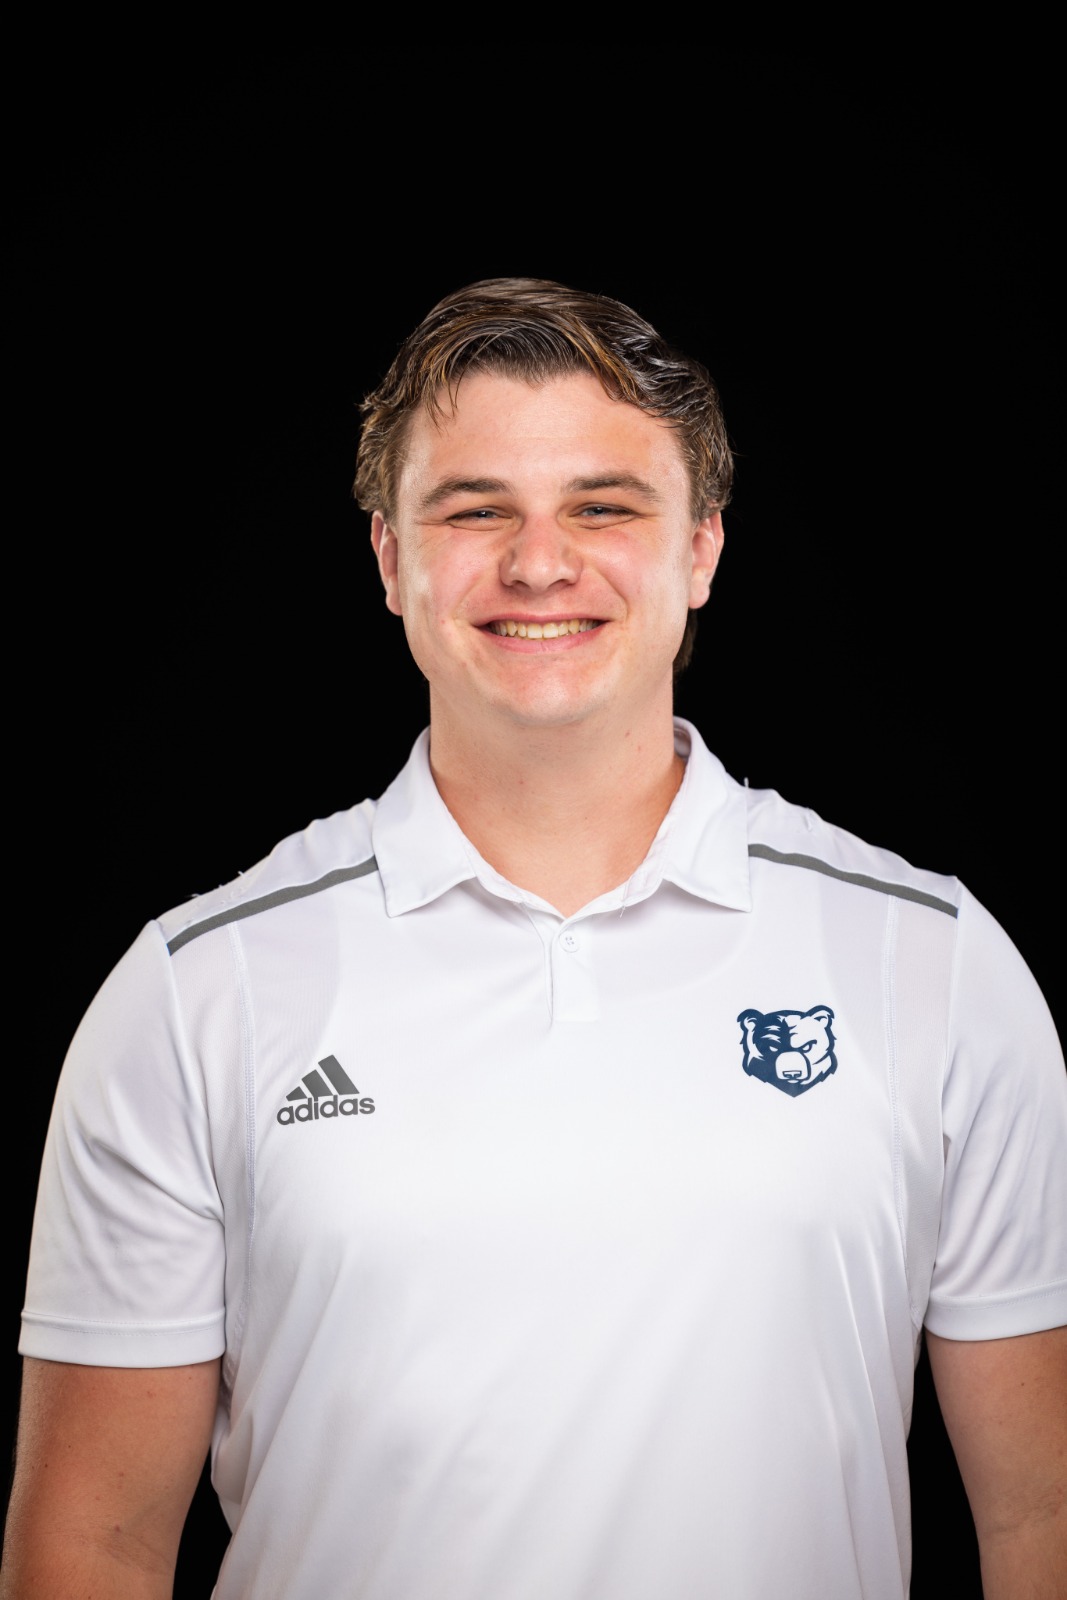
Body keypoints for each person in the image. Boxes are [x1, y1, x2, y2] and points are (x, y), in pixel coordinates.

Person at [3, 278, 1065, 1600]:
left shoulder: (935, 966)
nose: (540, 563)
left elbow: (1040, 1528)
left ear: (702, 552)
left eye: (604, 509)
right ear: (391, 560)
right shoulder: (193, 995)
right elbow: (87, 1555)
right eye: (474, 510)